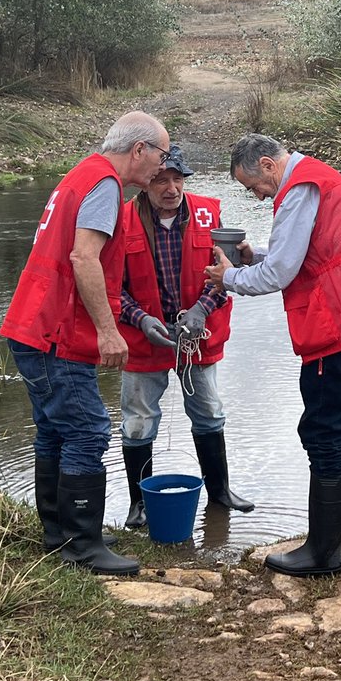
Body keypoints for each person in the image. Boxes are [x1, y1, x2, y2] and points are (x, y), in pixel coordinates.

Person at [204, 133, 341, 578]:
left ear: (268, 165)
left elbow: (279, 273)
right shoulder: (321, 177)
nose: (257, 196)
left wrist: (229, 277)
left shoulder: (299, 189)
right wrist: (254, 254)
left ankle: (323, 552)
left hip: (339, 323)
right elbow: (306, 250)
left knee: (322, 430)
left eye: (254, 186)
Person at [0, 111, 170, 576]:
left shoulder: (82, 174)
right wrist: (109, 331)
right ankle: (83, 545)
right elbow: (84, 257)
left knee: (54, 430)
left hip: (32, 325)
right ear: (139, 150)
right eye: (161, 154)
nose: (163, 165)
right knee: (88, 430)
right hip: (56, 331)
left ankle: (59, 533)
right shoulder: (105, 185)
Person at [118, 142, 254, 530]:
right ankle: (139, 505)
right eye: (161, 180)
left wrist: (201, 310)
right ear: (145, 183)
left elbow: (227, 275)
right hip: (144, 339)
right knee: (137, 422)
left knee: (209, 413)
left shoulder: (211, 215)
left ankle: (220, 493)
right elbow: (111, 287)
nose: (171, 188)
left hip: (197, 337)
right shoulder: (120, 221)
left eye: (178, 179)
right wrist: (140, 318)